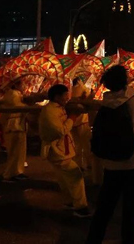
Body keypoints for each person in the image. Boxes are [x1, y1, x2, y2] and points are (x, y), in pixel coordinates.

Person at [86, 65, 134, 243]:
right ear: (125, 81)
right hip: (133, 161)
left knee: (105, 207)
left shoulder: (105, 102)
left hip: (110, 162)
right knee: (131, 208)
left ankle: (93, 239)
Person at [39, 84, 91, 218]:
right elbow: (60, 131)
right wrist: (71, 118)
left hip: (61, 149)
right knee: (75, 175)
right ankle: (81, 206)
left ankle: (69, 201)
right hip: (58, 151)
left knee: (63, 177)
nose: (67, 98)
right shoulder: (50, 111)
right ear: (57, 97)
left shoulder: (58, 108)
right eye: (65, 95)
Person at [0, 79, 28, 182]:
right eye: (22, 84)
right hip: (14, 125)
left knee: (19, 151)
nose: (24, 86)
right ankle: (9, 174)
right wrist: (28, 105)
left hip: (19, 125)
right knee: (14, 151)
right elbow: (17, 106)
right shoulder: (12, 94)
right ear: (16, 85)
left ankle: (18, 172)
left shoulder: (16, 94)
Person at [70, 77, 93, 172]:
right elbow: (89, 98)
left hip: (72, 121)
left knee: (76, 144)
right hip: (82, 120)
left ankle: (78, 164)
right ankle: (89, 164)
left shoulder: (69, 89)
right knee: (86, 144)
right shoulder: (82, 88)